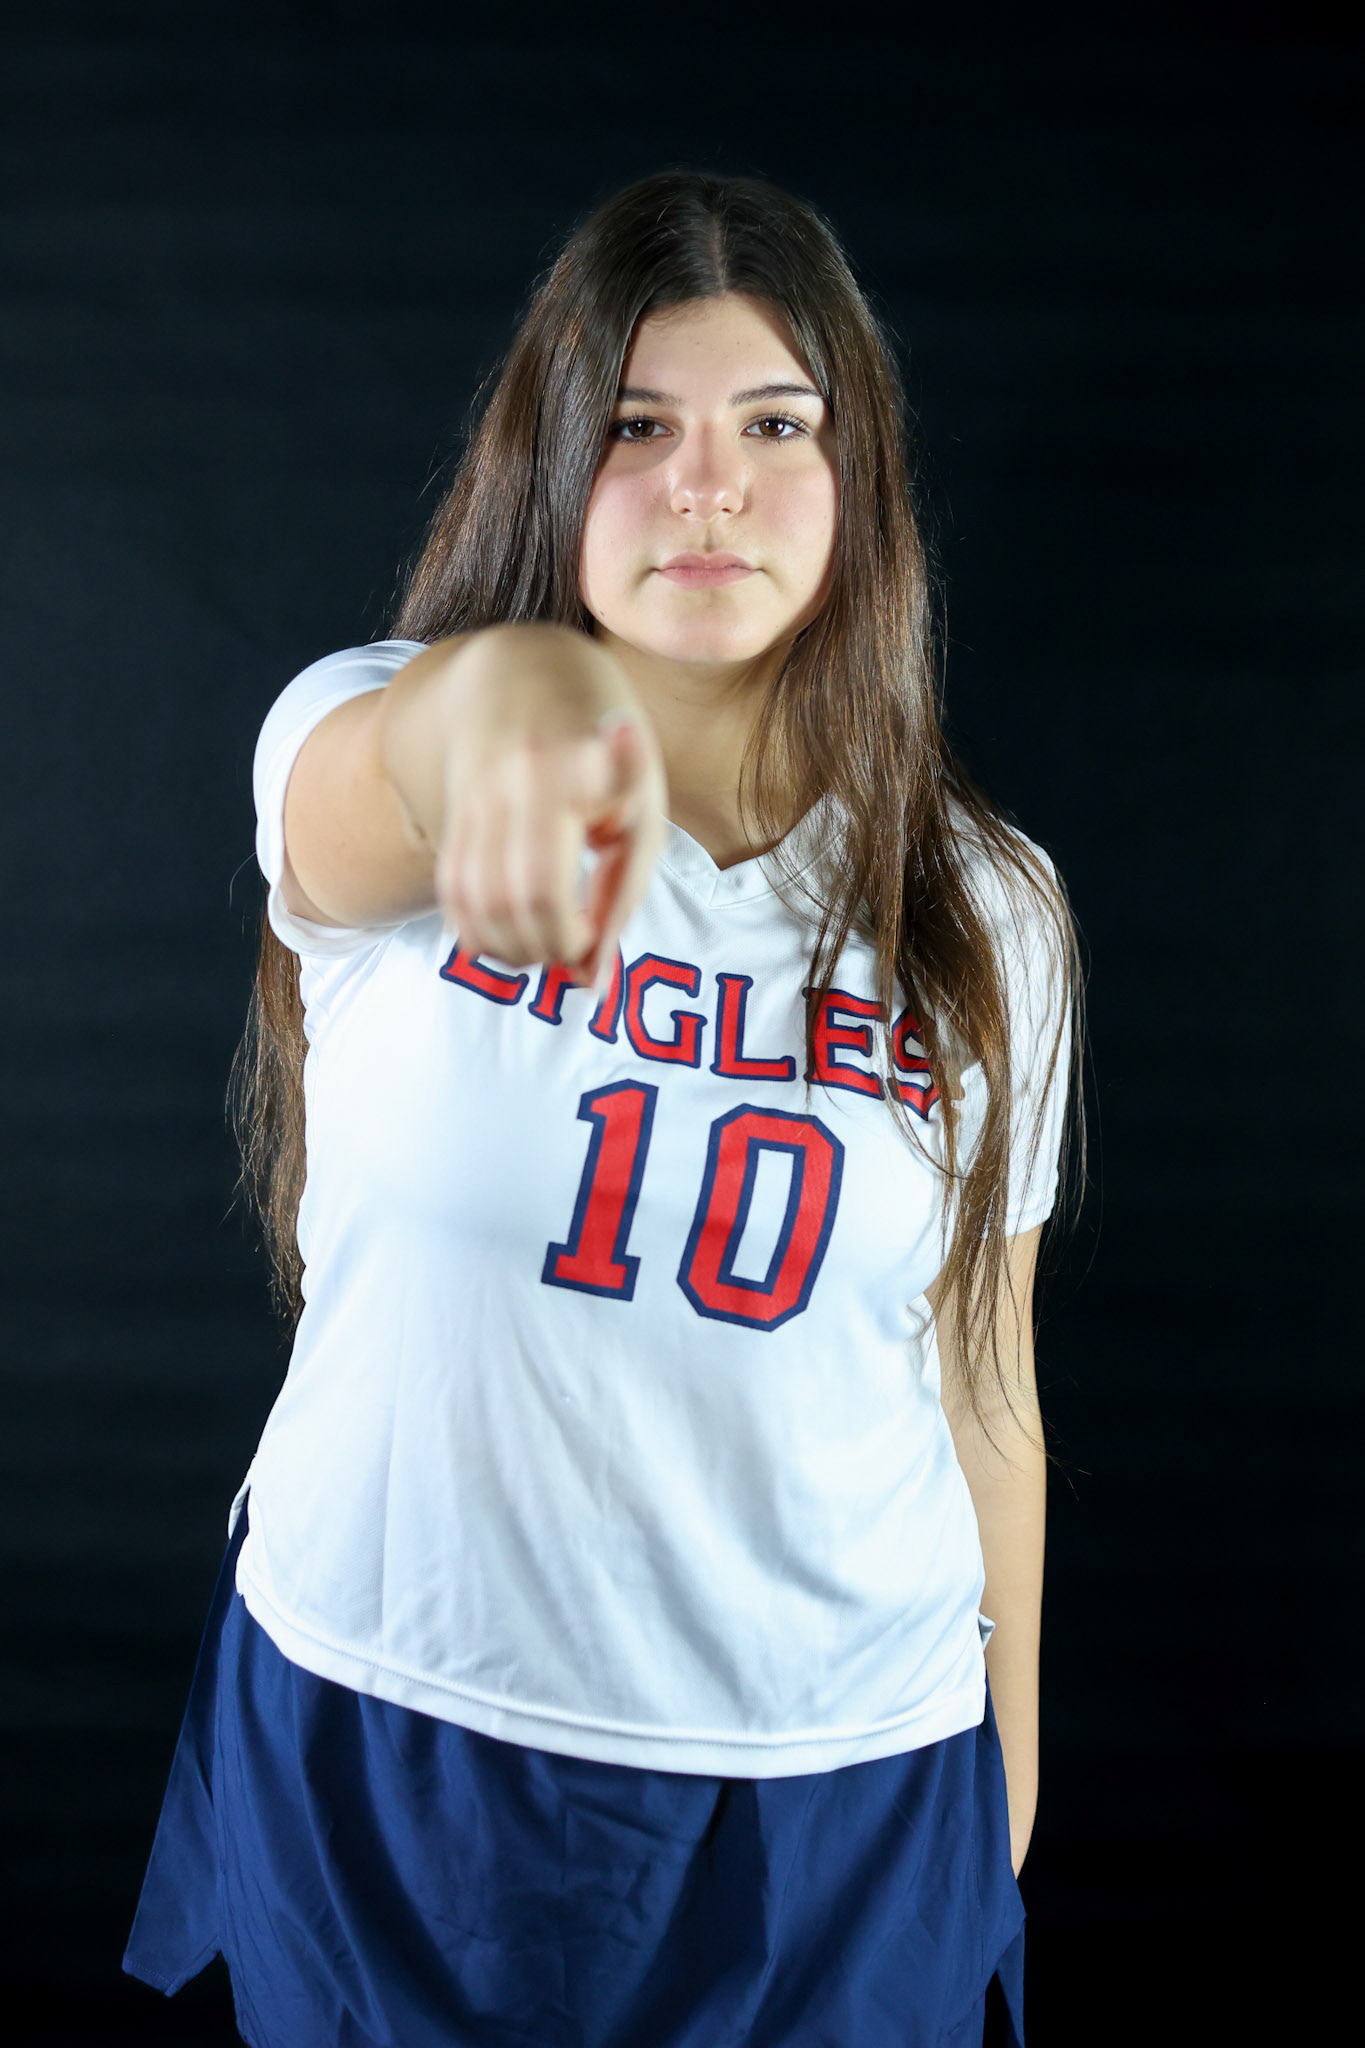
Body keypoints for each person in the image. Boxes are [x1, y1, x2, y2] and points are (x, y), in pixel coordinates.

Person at [122, 168, 1086, 2048]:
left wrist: (1006, 1779)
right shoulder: (391, 730)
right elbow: (372, 788)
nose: (704, 483)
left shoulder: (986, 908)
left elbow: (983, 1380)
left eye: (772, 424)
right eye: (636, 428)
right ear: (552, 470)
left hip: (839, 1779)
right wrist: (495, 713)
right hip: (398, 1728)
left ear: (855, 477)